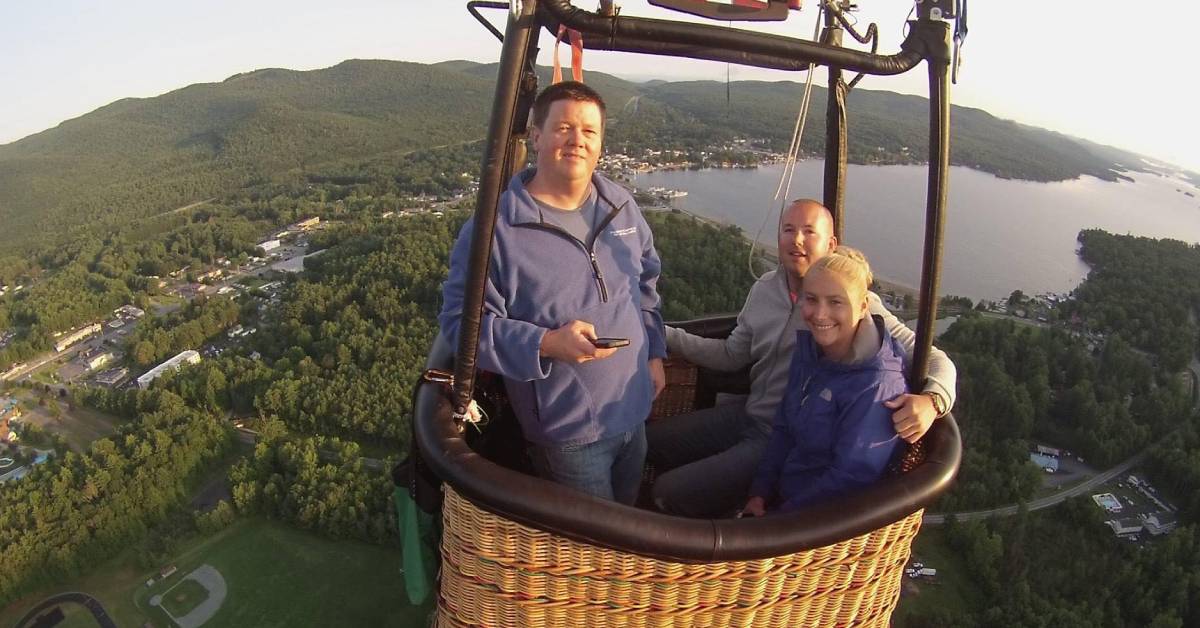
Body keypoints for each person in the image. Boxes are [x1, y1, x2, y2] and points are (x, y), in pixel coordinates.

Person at [647, 199, 955, 517]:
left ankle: (711, 521)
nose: (796, 240)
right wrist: (662, 332)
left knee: (668, 492)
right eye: (788, 230)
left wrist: (933, 401)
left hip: (782, 438)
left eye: (809, 232)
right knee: (648, 443)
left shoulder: (854, 304)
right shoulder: (765, 290)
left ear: (831, 243)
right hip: (751, 414)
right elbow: (731, 354)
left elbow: (932, 358)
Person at [438, 81, 666, 505]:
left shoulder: (620, 205)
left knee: (632, 521)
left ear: (600, 143)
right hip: (569, 434)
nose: (577, 140)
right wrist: (546, 343)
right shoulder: (494, 230)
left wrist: (654, 352)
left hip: (635, 409)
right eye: (563, 128)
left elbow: (647, 282)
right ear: (537, 135)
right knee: (593, 552)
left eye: (589, 131)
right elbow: (460, 327)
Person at [742, 247, 906, 515]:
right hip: (783, 498)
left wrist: (774, 522)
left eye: (835, 302)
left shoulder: (876, 386)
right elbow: (783, 429)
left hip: (816, 525)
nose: (819, 314)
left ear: (863, 306)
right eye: (811, 299)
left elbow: (848, 479)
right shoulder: (812, 353)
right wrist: (759, 492)